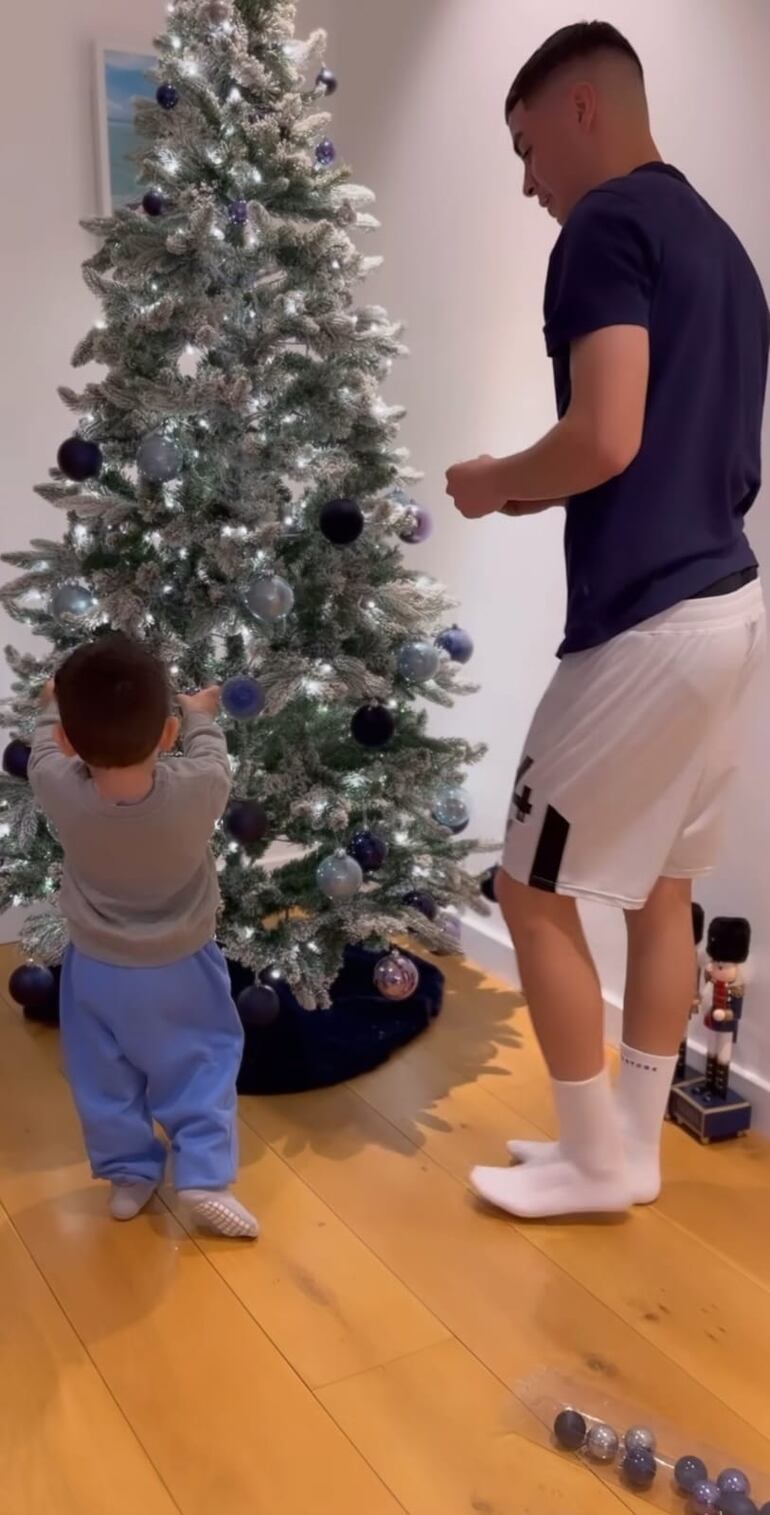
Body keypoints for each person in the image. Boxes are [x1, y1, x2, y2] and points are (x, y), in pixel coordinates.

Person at [445, 21, 769, 1218]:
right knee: (658, 888)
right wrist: (554, 480)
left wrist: (492, 482)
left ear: (580, 109)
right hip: (729, 603)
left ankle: (592, 1158)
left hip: (646, 621)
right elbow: (683, 449)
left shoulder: (604, 226)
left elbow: (606, 434)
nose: (528, 184)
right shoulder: (722, 247)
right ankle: (627, 1147)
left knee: (526, 891)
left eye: (526, 148)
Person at [28, 634, 259, 1238]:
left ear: (69, 741)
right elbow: (214, 755)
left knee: (103, 1076)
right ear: (166, 734)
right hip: (185, 964)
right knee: (203, 1064)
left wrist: (52, 705)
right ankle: (204, 1173)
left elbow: (40, 752)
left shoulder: (59, 787)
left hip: (98, 971)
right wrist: (201, 713)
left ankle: (131, 1174)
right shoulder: (197, 789)